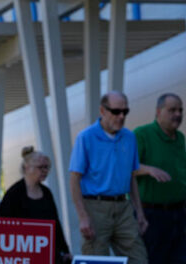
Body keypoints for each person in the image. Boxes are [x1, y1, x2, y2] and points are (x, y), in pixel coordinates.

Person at [69, 91, 147, 264]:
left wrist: (139, 212)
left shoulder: (129, 137)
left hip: (123, 207)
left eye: (125, 112)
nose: (121, 116)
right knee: (95, 259)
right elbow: (74, 179)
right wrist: (83, 217)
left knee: (139, 259)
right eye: (116, 111)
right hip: (95, 207)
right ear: (102, 111)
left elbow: (131, 176)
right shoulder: (86, 137)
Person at [133, 93, 186, 264]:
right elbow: (125, 169)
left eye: (180, 110)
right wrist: (148, 169)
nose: (178, 114)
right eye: (172, 110)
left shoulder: (180, 139)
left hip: (179, 213)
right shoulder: (142, 134)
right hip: (151, 216)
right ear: (158, 112)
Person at [0, 146, 72, 264]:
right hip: (22, 252)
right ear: (27, 167)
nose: (45, 171)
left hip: (46, 251)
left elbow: (55, 224)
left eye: (47, 167)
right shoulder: (14, 193)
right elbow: (1, 224)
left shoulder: (46, 192)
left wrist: (65, 250)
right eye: (41, 167)